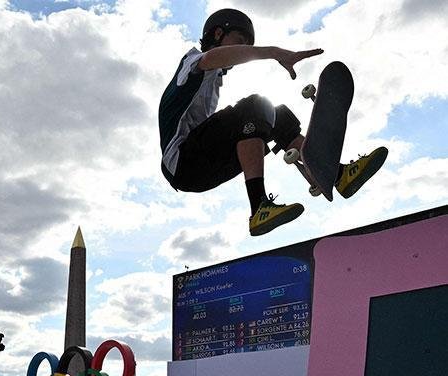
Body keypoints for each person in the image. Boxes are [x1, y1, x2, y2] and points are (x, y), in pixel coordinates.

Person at [158, 8, 388, 235]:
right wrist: (275, 53)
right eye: (239, 42)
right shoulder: (192, 61)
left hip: (203, 171)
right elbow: (212, 58)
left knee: (277, 116)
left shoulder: (214, 82)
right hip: (181, 163)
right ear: (217, 34)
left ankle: (338, 175)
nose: (242, 52)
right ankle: (259, 208)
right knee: (254, 106)